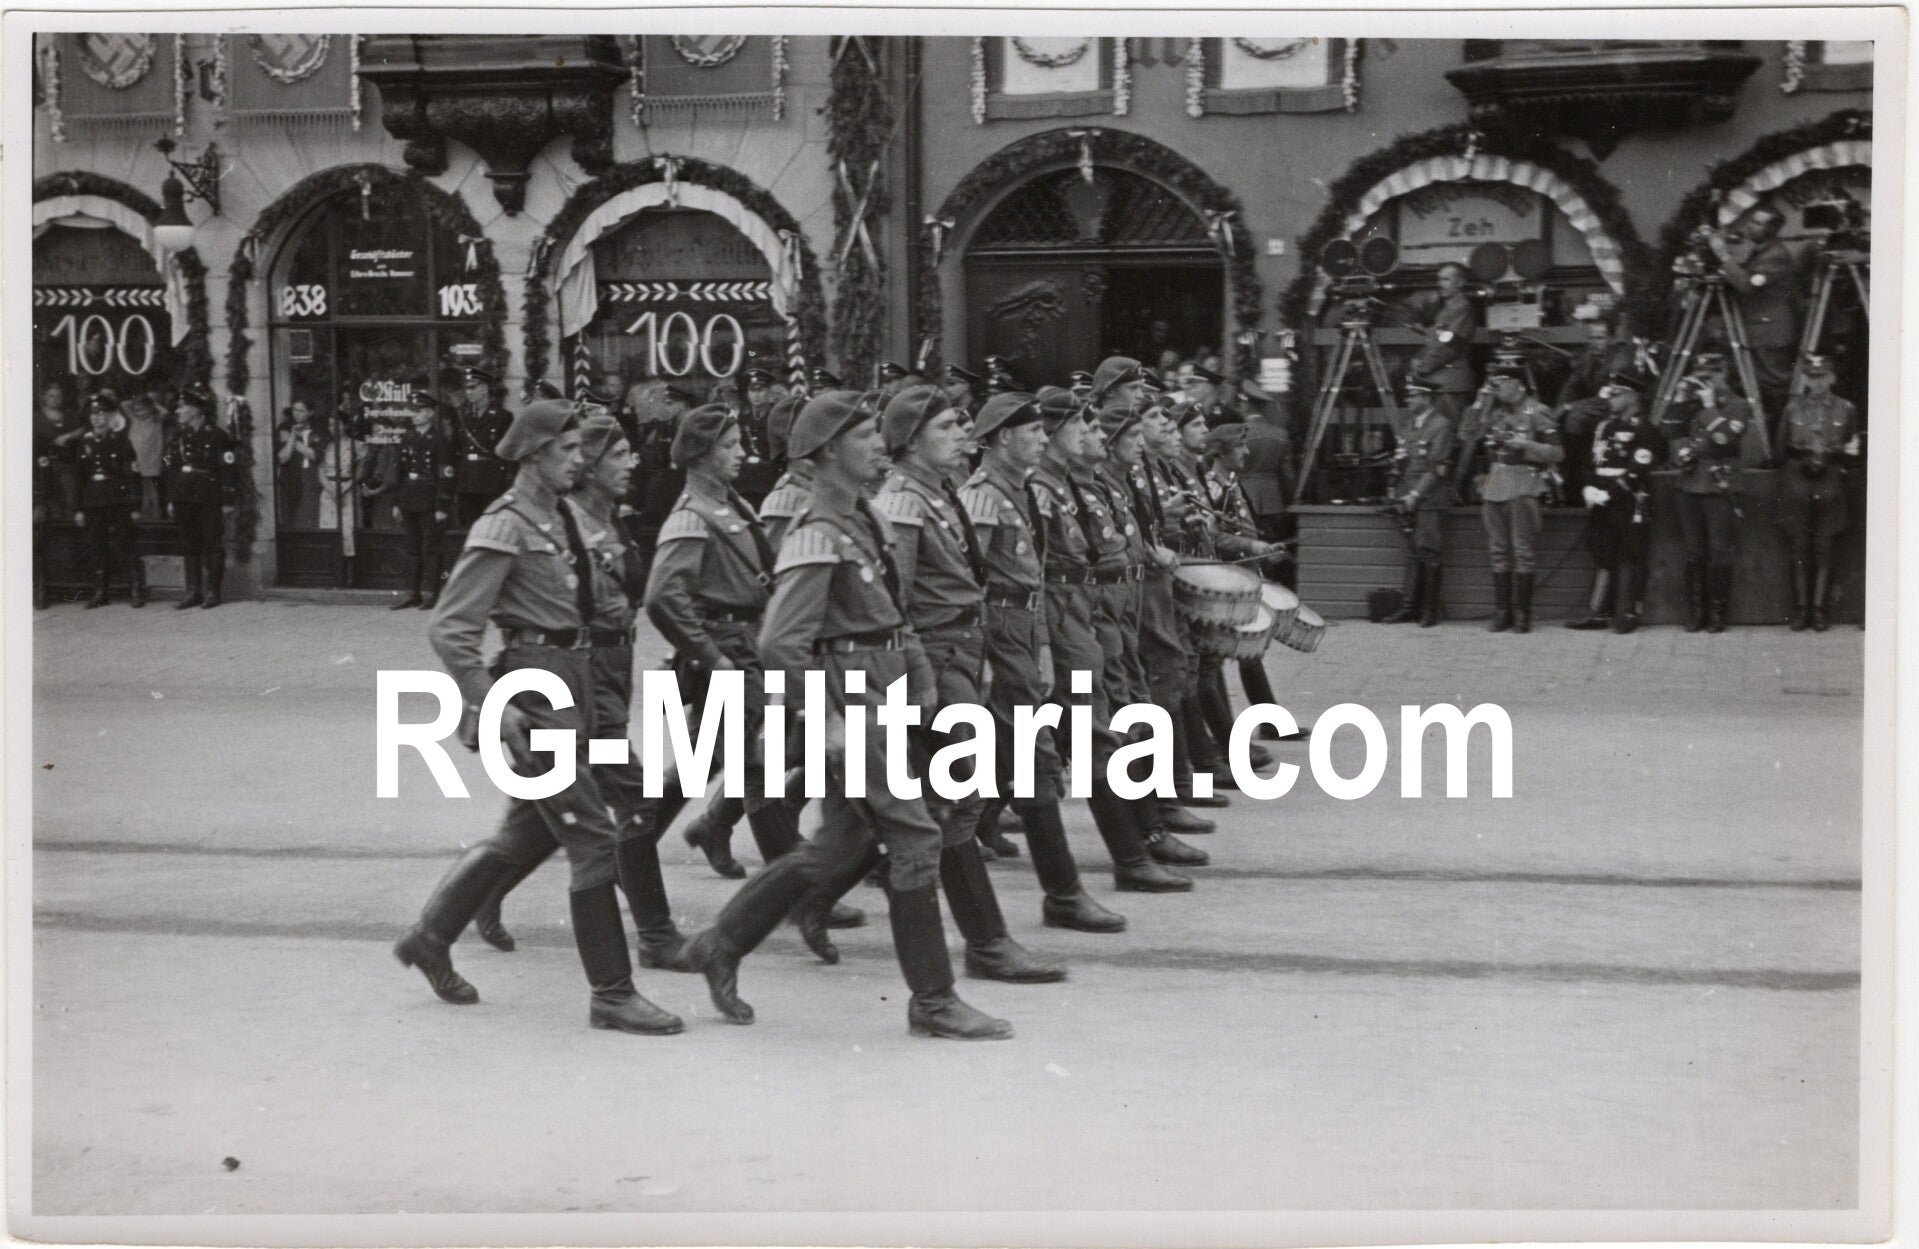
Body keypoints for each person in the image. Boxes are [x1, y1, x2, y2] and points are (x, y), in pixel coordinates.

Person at [680, 391, 1014, 1040]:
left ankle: (720, 942)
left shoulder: (866, 519)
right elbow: (780, 643)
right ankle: (933, 998)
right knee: (915, 836)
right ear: (830, 450)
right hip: (850, 702)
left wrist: (919, 680)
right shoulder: (814, 534)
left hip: (885, 693)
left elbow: (894, 614)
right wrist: (826, 721)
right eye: (864, 436)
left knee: (841, 842)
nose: (879, 444)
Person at [395, 397, 683, 1035]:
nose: (579, 460)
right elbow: (451, 628)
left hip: (576, 685)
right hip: (534, 695)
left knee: (534, 831)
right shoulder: (505, 526)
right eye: (568, 450)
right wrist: (490, 704)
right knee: (592, 838)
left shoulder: (561, 518)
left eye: (582, 449)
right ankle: (612, 993)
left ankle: (430, 935)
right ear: (532, 455)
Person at [782, 384, 1067, 983]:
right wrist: (917, 679)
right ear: (911, 442)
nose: (962, 435)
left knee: (888, 813)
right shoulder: (904, 504)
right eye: (945, 428)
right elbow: (897, 602)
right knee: (952, 800)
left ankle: (793, 907)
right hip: (925, 661)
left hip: (953, 655)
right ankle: (986, 943)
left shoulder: (937, 495)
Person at [468, 412, 696, 975]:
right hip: (576, 683)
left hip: (605, 676)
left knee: (548, 816)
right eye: (616, 455)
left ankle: (466, 906)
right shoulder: (555, 522)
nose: (631, 464)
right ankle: (652, 938)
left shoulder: (603, 519)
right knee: (613, 808)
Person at [642, 404, 838, 904]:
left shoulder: (731, 506)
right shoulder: (693, 516)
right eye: (728, 446)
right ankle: (796, 893)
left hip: (745, 646)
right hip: (727, 651)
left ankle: (629, 853)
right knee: (757, 771)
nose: (742, 453)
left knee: (706, 763)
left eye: (739, 443)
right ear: (700, 455)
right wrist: (711, 656)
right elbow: (663, 596)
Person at [1030, 387, 1209, 873]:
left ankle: (1145, 832)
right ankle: (1133, 849)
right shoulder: (1045, 490)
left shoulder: (1081, 486)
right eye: (1081, 425)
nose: (1092, 434)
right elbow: (1034, 572)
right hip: (1071, 617)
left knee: (1113, 720)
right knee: (1087, 735)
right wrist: (1045, 642)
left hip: (1103, 612)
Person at [1566, 371, 1664, 633]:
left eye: (1616, 393)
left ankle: (1629, 612)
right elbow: (1593, 461)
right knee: (1602, 554)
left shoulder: (1645, 430)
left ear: (1632, 397)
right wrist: (1589, 486)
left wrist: (1610, 494)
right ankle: (1599, 611)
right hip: (1601, 500)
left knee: (1632, 555)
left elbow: (1637, 470)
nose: (1610, 398)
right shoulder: (1606, 427)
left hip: (1629, 500)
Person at [1663, 352, 1751, 633]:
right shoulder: (1690, 402)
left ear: (1724, 374)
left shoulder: (1737, 405)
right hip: (1690, 483)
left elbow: (1725, 439)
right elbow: (1670, 433)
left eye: (1711, 376)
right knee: (1694, 552)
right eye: (1700, 376)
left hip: (1719, 485)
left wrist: (1710, 406)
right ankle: (1696, 612)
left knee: (1720, 552)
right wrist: (1679, 400)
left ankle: (1716, 614)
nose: (1705, 382)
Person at [1476, 365, 1563, 634]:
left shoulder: (1537, 412)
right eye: (1495, 384)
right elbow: (1469, 433)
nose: (1497, 388)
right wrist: (1481, 402)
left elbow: (1557, 452)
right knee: (1498, 550)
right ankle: (1503, 612)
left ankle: (1523, 614)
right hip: (1495, 484)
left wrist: (1526, 445)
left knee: (1522, 551)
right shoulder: (1497, 413)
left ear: (1520, 385)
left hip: (1523, 483)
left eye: (1503, 383)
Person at [1777, 356, 1859, 631]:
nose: (1817, 382)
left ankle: (1819, 609)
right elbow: (1780, 448)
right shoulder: (1792, 409)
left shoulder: (1846, 409)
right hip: (1798, 480)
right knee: (1799, 544)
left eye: (1822, 376)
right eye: (1812, 377)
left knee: (1825, 545)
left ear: (1832, 377)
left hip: (1829, 480)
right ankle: (1802, 609)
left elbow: (1852, 447)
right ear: (1805, 379)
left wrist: (1835, 467)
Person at [1379, 379, 1455, 627]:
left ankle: (1429, 611)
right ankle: (1409, 608)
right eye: (1408, 396)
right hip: (1408, 497)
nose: (1408, 400)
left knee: (1429, 552)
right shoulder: (1410, 425)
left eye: (1413, 396)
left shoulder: (1441, 425)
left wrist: (1415, 495)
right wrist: (1396, 492)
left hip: (1430, 499)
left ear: (1426, 397)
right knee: (1413, 554)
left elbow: (1437, 469)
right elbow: (1401, 461)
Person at [1708, 205, 1798, 416]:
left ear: (1772, 229)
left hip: (1770, 334)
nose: (1750, 226)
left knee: (1774, 385)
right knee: (1759, 386)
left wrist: (1723, 255)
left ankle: (1780, 432)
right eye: (1751, 221)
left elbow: (1748, 284)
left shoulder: (1775, 256)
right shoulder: (1762, 252)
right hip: (1759, 331)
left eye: (1757, 223)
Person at [163, 385, 236, 610]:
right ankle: (193, 591)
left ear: (196, 410)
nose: (178, 411)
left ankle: (213, 592)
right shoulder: (179, 436)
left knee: (212, 544)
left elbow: (228, 469)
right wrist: (171, 498)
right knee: (189, 544)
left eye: (183, 407)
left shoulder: (217, 435)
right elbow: (172, 469)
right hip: (184, 496)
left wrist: (227, 500)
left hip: (208, 496)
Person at [73, 391, 146, 609]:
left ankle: (135, 589)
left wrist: (135, 506)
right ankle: (101, 592)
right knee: (97, 545)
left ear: (111, 416)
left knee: (125, 543)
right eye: (93, 414)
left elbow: (133, 476)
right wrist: (79, 508)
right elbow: (79, 479)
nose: (97, 418)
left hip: (118, 500)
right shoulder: (85, 442)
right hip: (93, 501)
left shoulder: (121, 442)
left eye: (101, 413)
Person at [388, 389, 456, 610]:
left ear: (430, 413)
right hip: (409, 497)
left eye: (419, 411)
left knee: (430, 547)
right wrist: (396, 503)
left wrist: (442, 506)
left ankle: (431, 593)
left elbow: (446, 475)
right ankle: (412, 592)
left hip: (430, 499)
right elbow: (399, 473)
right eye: (413, 411)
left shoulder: (439, 440)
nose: (414, 415)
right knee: (412, 547)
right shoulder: (407, 438)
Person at [1408, 262, 1479, 420]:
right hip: (1443, 383)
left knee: (1447, 429)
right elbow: (1441, 338)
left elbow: (1450, 344)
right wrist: (1428, 333)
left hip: (1450, 384)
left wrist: (1422, 366)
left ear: (1460, 282)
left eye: (1446, 279)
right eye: (1439, 279)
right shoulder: (1448, 309)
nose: (1440, 284)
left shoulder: (1461, 307)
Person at [449, 366, 515, 526]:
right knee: (470, 528)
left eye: (472, 387)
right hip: (467, 482)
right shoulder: (463, 417)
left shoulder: (502, 417)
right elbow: (455, 450)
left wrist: (508, 482)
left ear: (485, 389)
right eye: (466, 388)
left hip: (492, 482)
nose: (468, 392)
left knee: (492, 526)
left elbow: (510, 453)